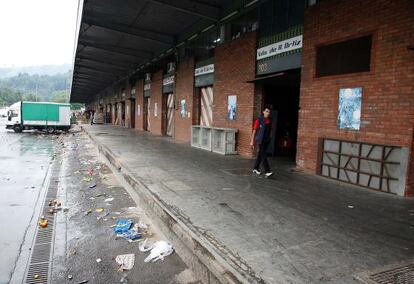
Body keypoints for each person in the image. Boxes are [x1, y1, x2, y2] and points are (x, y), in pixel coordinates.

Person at [250, 107, 273, 178]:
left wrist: (270, 138)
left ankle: (255, 168)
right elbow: (254, 131)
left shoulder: (269, 120)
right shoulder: (259, 120)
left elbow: (271, 130)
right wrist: (252, 141)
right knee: (263, 155)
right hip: (260, 140)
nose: (268, 113)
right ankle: (268, 171)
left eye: (269, 112)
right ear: (263, 112)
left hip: (266, 140)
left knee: (260, 154)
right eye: (266, 111)